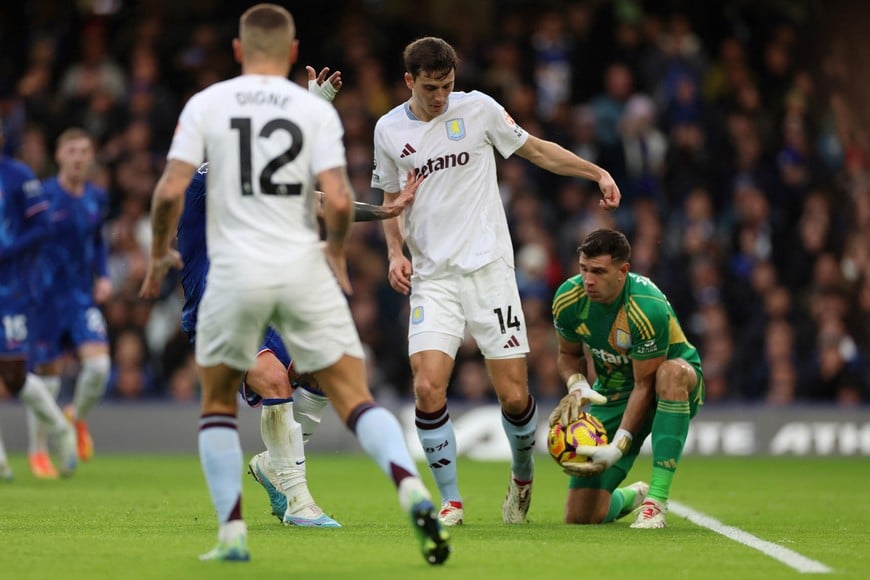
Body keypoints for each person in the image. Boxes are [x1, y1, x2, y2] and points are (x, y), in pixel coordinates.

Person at [139, 4, 449, 564]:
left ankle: (261, 488)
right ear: (289, 50)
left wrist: (383, 214)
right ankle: (316, 497)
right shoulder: (233, 147)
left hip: (269, 281)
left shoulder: (210, 112)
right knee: (285, 379)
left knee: (317, 380)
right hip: (219, 287)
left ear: (239, 50)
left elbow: (301, 193)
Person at [371, 36, 621, 526]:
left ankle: (523, 475)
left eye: (446, 85)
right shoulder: (388, 130)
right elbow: (388, 195)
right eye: (429, 88)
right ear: (409, 82)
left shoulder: (480, 110)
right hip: (433, 277)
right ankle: (451, 500)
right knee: (427, 388)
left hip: (488, 271)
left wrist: (595, 172)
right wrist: (395, 250)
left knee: (513, 395)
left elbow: (537, 151)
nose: (440, 96)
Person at [179, 147, 419, 527]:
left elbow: (320, 203)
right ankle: (298, 502)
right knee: (275, 378)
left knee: (322, 369)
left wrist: (384, 211)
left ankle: (273, 465)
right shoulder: (206, 178)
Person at [549, 228, 704, 528]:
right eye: (583, 269)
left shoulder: (647, 307)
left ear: (623, 271)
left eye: (598, 271)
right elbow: (568, 355)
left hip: (668, 389)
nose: (588, 280)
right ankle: (631, 496)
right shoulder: (568, 299)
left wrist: (619, 444)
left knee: (669, 374)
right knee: (580, 517)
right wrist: (577, 383)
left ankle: (656, 501)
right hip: (612, 394)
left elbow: (645, 384)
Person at [26, 127, 112, 478]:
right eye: (72, 151)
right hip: (44, 298)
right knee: (47, 377)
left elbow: (99, 240)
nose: (78, 158)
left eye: (84, 151)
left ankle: (75, 416)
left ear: (91, 157)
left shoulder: (97, 197)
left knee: (99, 367)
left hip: (79, 297)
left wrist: (103, 275)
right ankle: (38, 450)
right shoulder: (42, 195)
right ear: (59, 156)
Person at [0, 121, 78, 480]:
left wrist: (8, 250)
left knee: (15, 374)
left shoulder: (17, 176)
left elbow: (43, 226)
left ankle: (61, 430)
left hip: (10, 289)